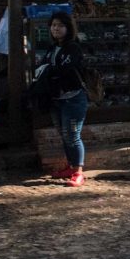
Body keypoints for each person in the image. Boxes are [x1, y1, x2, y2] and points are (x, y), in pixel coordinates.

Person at [44, 12, 89, 187]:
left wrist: (51, 73)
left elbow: (65, 71)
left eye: (60, 25)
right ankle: (70, 167)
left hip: (73, 98)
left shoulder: (74, 48)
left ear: (68, 28)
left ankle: (78, 172)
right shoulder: (52, 48)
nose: (56, 29)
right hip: (56, 98)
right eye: (54, 25)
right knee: (64, 135)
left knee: (72, 135)